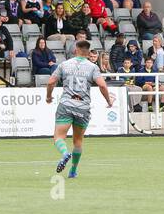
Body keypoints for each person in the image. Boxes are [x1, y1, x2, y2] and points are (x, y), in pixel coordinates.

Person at [46, 38, 114, 180]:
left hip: (66, 104)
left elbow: (51, 81)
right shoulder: (93, 67)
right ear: (88, 53)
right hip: (83, 107)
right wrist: (108, 100)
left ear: (75, 50)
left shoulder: (64, 64)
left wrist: (49, 96)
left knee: (59, 137)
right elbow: (102, 85)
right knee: (78, 141)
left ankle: (65, 153)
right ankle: (73, 171)